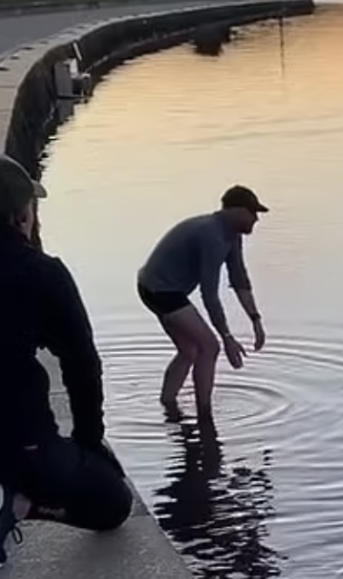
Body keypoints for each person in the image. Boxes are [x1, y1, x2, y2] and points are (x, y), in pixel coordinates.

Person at [0, 155, 133, 567]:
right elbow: (82, 366)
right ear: (22, 214)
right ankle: (27, 502)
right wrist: (90, 441)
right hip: (21, 441)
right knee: (114, 502)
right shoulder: (39, 274)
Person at [136, 185, 269, 419]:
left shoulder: (231, 235)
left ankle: (168, 406)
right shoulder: (211, 236)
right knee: (210, 346)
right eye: (252, 212)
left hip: (157, 287)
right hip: (160, 290)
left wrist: (255, 320)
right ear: (236, 211)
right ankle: (205, 416)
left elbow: (239, 279)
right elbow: (209, 294)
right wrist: (226, 337)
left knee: (189, 350)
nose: (256, 219)